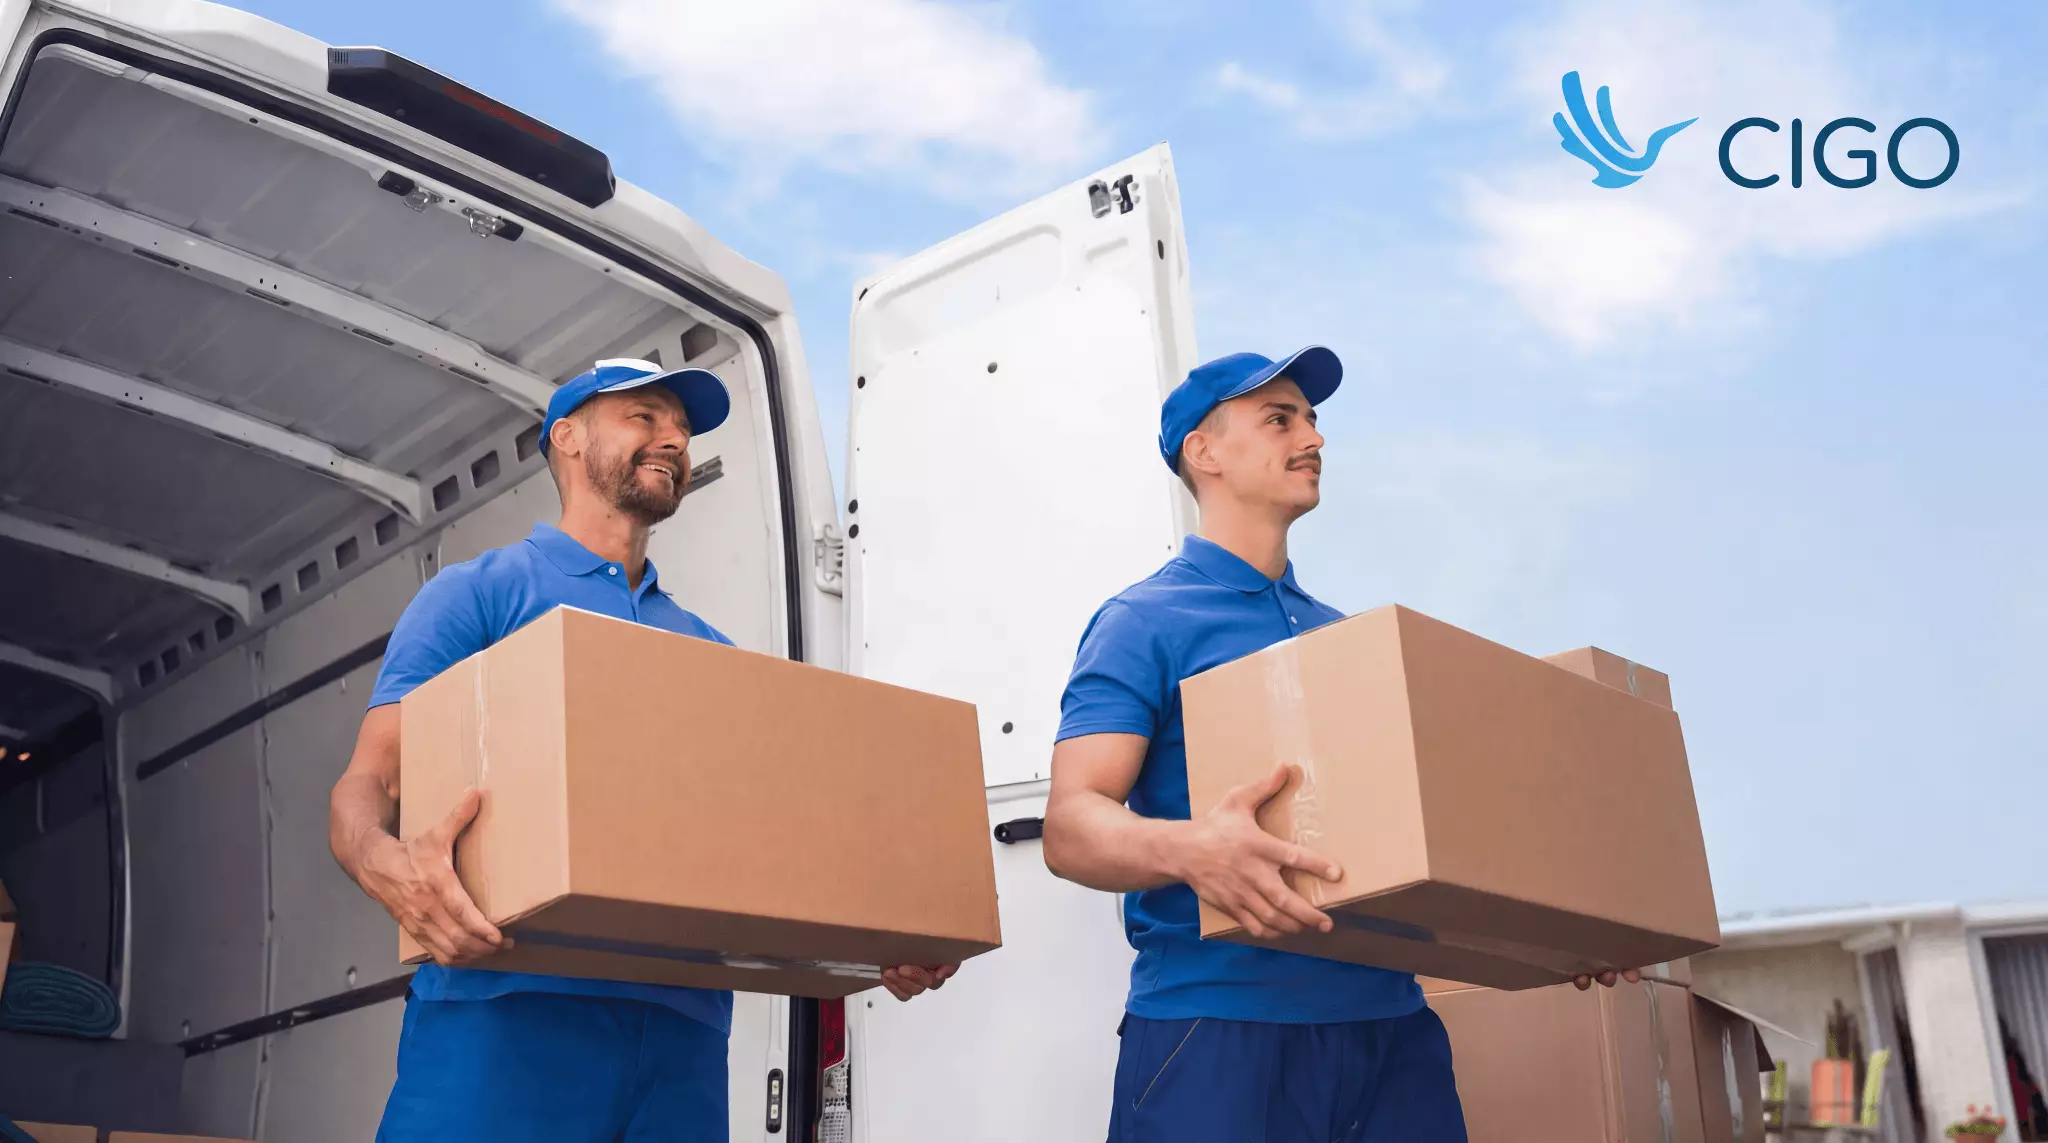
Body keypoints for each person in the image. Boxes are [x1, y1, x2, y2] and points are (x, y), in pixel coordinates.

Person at [329, 359, 956, 1142]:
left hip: (680, 1029)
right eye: (647, 416)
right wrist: (381, 863)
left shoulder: (710, 651)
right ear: (567, 437)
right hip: (506, 1008)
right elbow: (370, 778)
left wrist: (884, 943)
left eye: (684, 430)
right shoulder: (480, 594)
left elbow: (784, 847)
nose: (673, 439)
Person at [1041, 347, 1635, 1142]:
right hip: (1219, 1027)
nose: (1313, 437)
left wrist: (1559, 935)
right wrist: (1193, 848)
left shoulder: (1346, 642)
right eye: (1280, 418)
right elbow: (1071, 824)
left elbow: (1431, 840)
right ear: (1203, 450)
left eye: (1314, 419)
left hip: (1390, 1029)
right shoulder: (1144, 621)